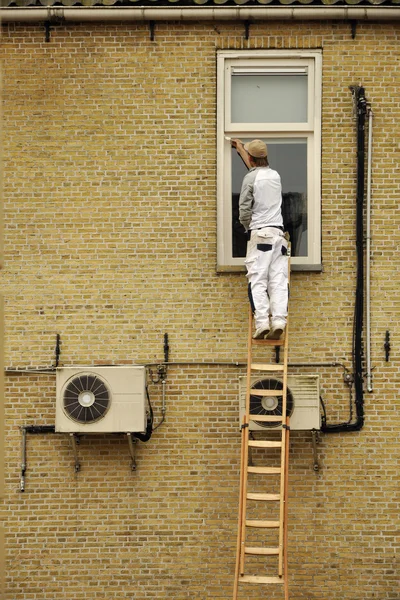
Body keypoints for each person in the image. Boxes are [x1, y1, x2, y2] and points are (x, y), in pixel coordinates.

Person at [232, 138, 289, 340]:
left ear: (250, 158)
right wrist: (241, 150)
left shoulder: (250, 179)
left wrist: (248, 229)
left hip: (261, 235)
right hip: (279, 237)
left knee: (258, 280)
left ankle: (263, 322)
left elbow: (244, 209)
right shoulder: (275, 176)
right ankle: (279, 321)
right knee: (278, 281)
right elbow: (257, 174)